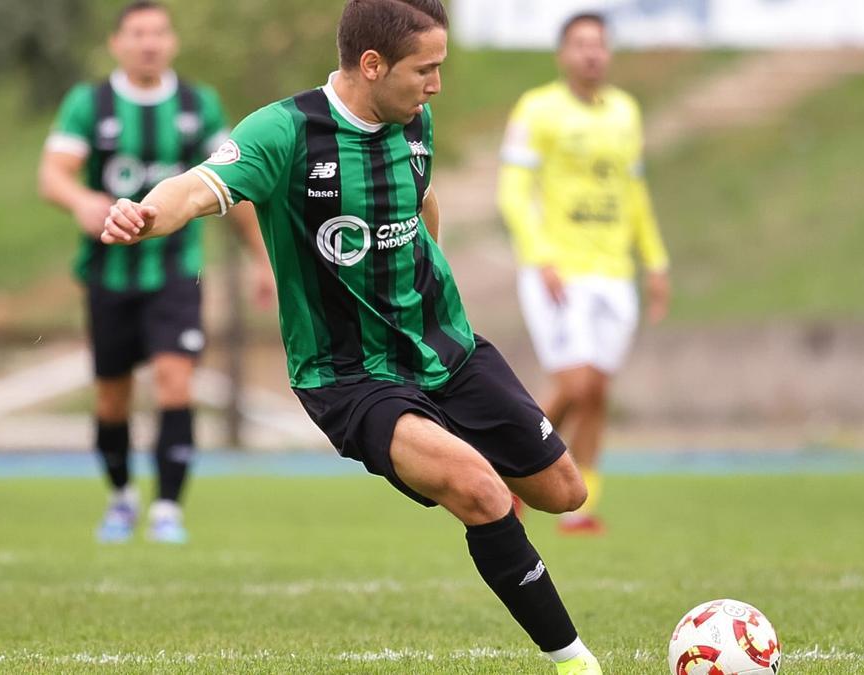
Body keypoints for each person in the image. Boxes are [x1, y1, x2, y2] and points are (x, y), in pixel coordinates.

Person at [99, 1, 603, 672]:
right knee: (481, 492)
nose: (436, 85)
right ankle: (575, 660)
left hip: (445, 347)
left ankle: (479, 493)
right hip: (348, 374)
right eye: (426, 69)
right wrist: (143, 214)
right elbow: (197, 187)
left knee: (565, 492)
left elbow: (423, 199)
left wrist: (433, 271)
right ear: (372, 65)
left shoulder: (413, 117)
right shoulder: (284, 132)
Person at [38, 0, 274, 545]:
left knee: (175, 381)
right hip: (108, 274)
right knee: (112, 397)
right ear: (116, 44)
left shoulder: (197, 104)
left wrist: (262, 259)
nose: (149, 43)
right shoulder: (89, 104)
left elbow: (229, 186)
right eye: (138, 33)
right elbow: (53, 174)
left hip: (176, 271)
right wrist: (78, 200)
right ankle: (121, 497)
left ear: (172, 42)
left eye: (159, 33)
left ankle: (167, 507)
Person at [497, 12, 671, 535]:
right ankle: (515, 471)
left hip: (615, 273)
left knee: (596, 390)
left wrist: (655, 261)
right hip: (559, 271)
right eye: (581, 44)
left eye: (600, 44)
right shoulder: (537, 109)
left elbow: (634, 194)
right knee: (575, 382)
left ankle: (582, 506)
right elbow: (512, 192)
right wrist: (540, 254)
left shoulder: (625, 112)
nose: (592, 53)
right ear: (562, 54)